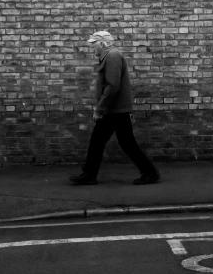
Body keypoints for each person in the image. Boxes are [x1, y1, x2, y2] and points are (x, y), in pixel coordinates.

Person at [69, 30, 160, 186]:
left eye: (94, 44)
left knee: (107, 141)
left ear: (104, 43)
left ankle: (90, 175)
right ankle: (149, 172)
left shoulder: (112, 56)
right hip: (114, 109)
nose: (93, 48)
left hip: (114, 109)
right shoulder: (109, 56)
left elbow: (112, 85)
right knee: (118, 142)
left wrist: (100, 108)